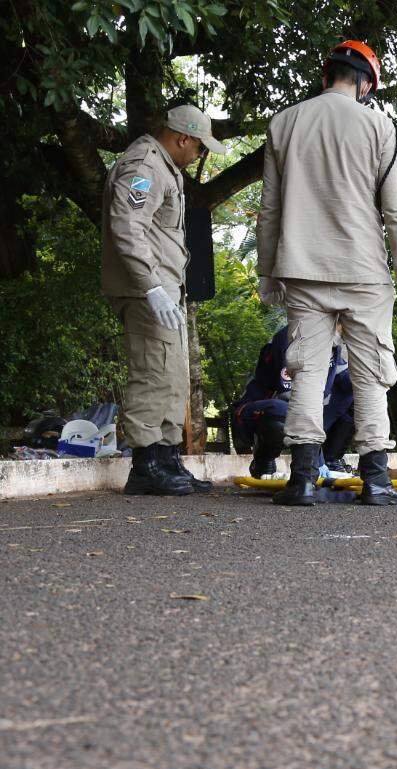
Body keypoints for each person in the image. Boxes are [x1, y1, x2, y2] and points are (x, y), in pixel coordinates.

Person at [257, 39, 397, 507]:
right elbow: (396, 210)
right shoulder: (379, 125)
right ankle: (375, 480)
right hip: (364, 271)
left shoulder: (283, 124)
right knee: (371, 373)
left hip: (301, 268)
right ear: (367, 83)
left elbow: (269, 209)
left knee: (307, 370)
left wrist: (266, 274)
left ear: (327, 74)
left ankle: (302, 479)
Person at [100, 104, 227, 496]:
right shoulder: (145, 165)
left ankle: (167, 458)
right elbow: (127, 224)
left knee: (172, 374)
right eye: (200, 148)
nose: (200, 155)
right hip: (147, 290)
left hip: (164, 289)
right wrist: (151, 286)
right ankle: (145, 465)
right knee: (153, 372)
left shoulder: (164, 167)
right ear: (182, 138)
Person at [231, 327, 355, 478]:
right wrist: (316, 459)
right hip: (264, 410)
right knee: (282, 412)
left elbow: (345, 380)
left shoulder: (335, 341)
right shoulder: (292, 336)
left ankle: (332, 460)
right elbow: (292, 399)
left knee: (359, 396)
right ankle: (264, 459)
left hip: (311, 414)